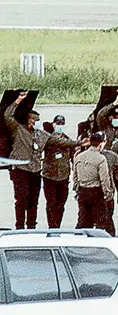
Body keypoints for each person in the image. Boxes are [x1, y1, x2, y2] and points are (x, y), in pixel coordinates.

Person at [4, 92, 48, 229]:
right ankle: (19, 227)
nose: (36, 123)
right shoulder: (18, 130)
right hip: (20, 170)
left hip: (35, 170)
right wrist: (18, 101)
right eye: (34, 120)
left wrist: (79, 143)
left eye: (38, 120)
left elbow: (59, 141)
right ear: (28, 120)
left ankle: (31, 227)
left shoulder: (41, 135)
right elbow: (7, 116)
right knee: (21, 200)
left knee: (33, 201)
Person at [40, 118, 77, 228]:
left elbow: (72, 158)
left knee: (60, 205)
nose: (60, 126)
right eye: (58, 123)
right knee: (51, 204)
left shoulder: (68, 140)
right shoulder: (48, 139)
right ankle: (52, 227)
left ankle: (57, 226)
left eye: (62, 124)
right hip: (49, 177)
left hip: (63, 177)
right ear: (53, 124)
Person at [74, 133, 114, 231]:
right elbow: (104, 178)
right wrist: (108, 193)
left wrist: (77, 189)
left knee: (84, 219)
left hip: (83, 192)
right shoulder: (100, 158)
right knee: (102, 220)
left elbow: (75, 175)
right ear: (100, 144)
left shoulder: (79, 156)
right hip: (96, 192)